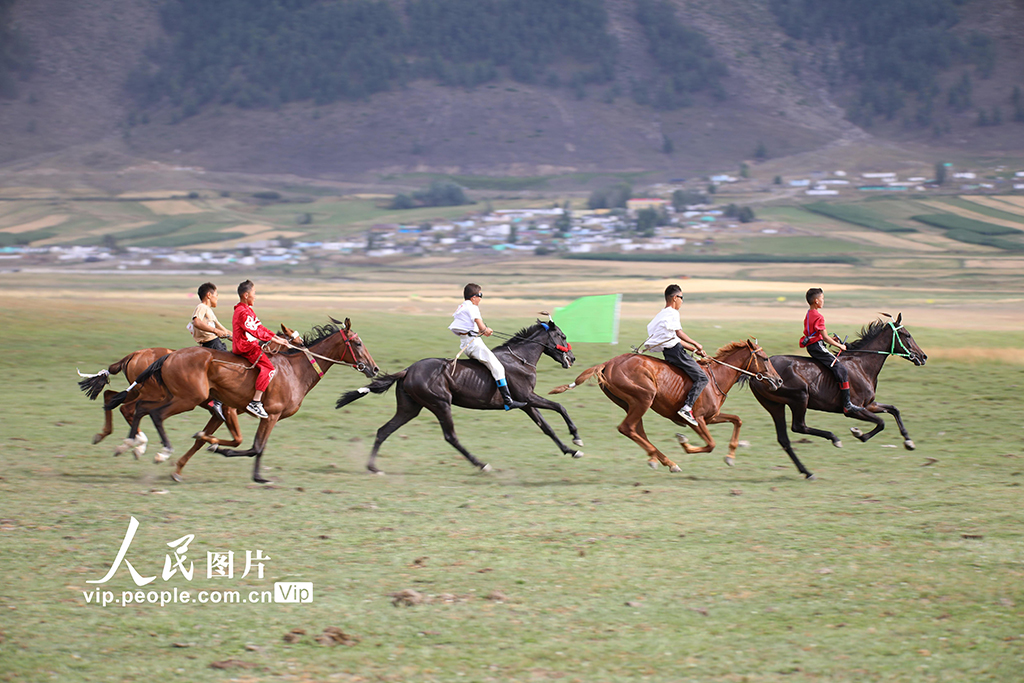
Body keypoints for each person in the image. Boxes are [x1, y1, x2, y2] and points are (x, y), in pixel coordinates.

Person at [448, 283, 527, 410]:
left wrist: (481, 331)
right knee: (498, 368)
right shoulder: (473, 307)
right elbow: (481, 326)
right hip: (474, 344)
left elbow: (466, 328)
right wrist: (486, 330)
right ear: (473, 297)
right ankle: (508, 401)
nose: (480, 298)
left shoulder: (462, 307)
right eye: (480, 295)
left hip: (466, 344)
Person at [232, 280, 295, 419]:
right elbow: (257, 333)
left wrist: (279, 340)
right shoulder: (242, 312)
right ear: (246, 295)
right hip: (245, 347)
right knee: (269, 369)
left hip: (249, 344)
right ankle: (255, 402)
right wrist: (275, 339)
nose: (255, 296)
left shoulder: (247, 310)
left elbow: (261, 328)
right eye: (254, 293)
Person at [645, 284, 708, 426]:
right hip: (676, 352)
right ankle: (687, 408)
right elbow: (678, 333)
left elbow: (673, 338)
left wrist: (693, 349)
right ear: (675, 298)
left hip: (670, 352)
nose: (682, 301)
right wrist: (697, 344)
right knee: (702, 378)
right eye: (681, 298)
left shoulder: (662, 313)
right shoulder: (673, 313)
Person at [800, 287, 855, 413]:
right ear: (816, 301)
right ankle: (847, 404)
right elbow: (824, 337)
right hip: (817, 347)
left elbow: (815, 334)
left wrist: (831, 339)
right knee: (841, 369)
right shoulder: (819, 316)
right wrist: (840, 346)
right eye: (822, 298)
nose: (823, 301)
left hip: (812, 346)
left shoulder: (809, 314)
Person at [189, 282, 232, 420]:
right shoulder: (201, 307)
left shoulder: (210, 313)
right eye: (216, 295)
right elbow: (196, 322)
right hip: (211, 344)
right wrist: (215, 331)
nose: (217, 299)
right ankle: (216, 401)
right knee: (231, 370)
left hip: (214, 343)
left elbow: (224, 331)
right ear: (209, 295)